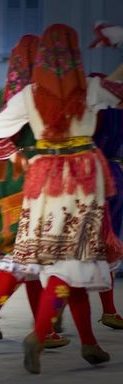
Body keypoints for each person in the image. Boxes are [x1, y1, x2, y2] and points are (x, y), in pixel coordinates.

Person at [0, 24, 123, 374]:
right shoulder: (90, 87)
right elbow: (119, 89)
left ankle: (88, 343)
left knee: (52, 260)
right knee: (72, 262)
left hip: (43, 181)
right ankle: (41, 333)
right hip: (83, 181)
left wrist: (20, 158)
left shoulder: (29, 94)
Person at [0, 34, 69, 359]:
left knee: (28, 261)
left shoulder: (5, 95)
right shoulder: (43, 95)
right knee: (33, 260)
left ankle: (42, 329)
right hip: (35, 183)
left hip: (4, 184)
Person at [93, 105, 123, 329]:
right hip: (88, 175)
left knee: (103, 248)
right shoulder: (94, 103)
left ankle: (109, 310)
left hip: (105, 176)